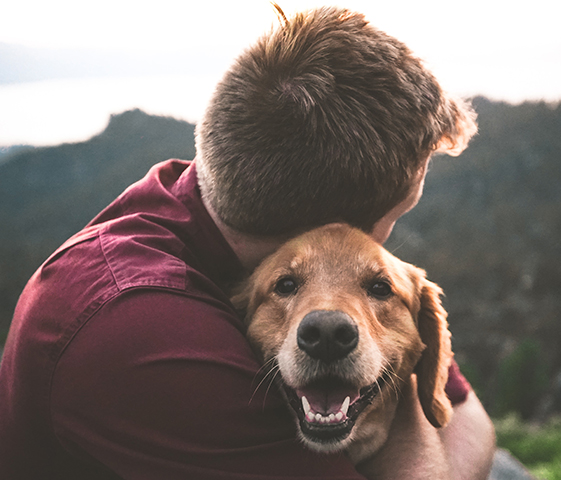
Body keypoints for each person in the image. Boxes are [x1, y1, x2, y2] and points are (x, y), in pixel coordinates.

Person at [0, 6, 495, 479]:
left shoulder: (204, 197)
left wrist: (399, 373)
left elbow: (468, 415)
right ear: (333, 228)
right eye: (397, 215)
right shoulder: (139, 329)